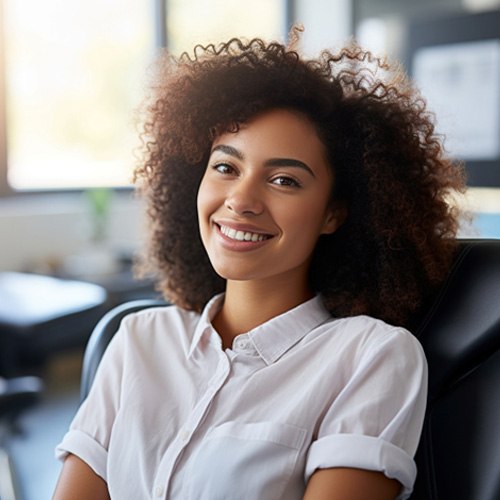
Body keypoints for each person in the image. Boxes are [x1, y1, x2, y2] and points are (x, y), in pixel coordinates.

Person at [53, 31, 465, 499]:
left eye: (284, 180)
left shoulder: (371, 356)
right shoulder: (138, 341)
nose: (241, 201)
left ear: (335, 213)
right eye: (226, 168)